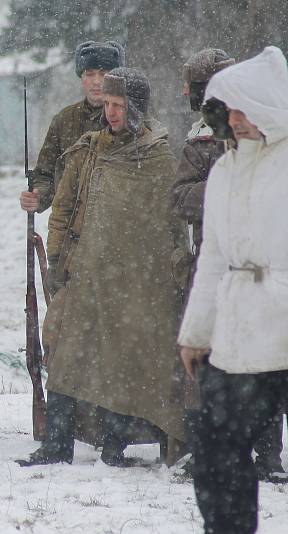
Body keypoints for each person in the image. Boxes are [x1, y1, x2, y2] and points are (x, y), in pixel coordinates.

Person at [17, 67, 188, 467]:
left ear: (137, 108)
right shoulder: (87, 151)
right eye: (108, 104)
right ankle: (56, 445)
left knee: (122, 363)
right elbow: (61, 210)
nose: (111, 112)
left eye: (120, 105)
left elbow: (170, 229)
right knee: (65, 356)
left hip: (136, 283)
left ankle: (115, 446)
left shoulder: (159, 160)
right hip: (84, 275)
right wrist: (57, 264)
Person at [178, 46, 288, 534]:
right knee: (216, 453)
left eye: (245, 108)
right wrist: (196, 331)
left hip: (283, 325)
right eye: (230, 110)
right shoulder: (223, 171)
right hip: (238, 333)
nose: (237, 121)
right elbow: (214, 259)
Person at [19, 40, 124, 214]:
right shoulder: (64, 120)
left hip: (118, 224)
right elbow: (46, 174)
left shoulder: (133, 120)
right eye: (89, 74)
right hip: (70, 229)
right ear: (81, 77)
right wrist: (38, 197)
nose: (96, 81)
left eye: (103, 73)